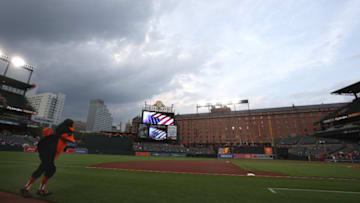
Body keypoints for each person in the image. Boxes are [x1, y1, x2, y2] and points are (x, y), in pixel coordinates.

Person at [20, 119, 76, 197]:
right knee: (45, 169)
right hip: (48, 153)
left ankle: (39, 189)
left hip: (48, 152)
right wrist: (71, 133)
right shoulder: (65, 131)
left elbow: (67, 137)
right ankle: (27, 189)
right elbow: (70, 139)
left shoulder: (61, 130)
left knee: (49, 169)